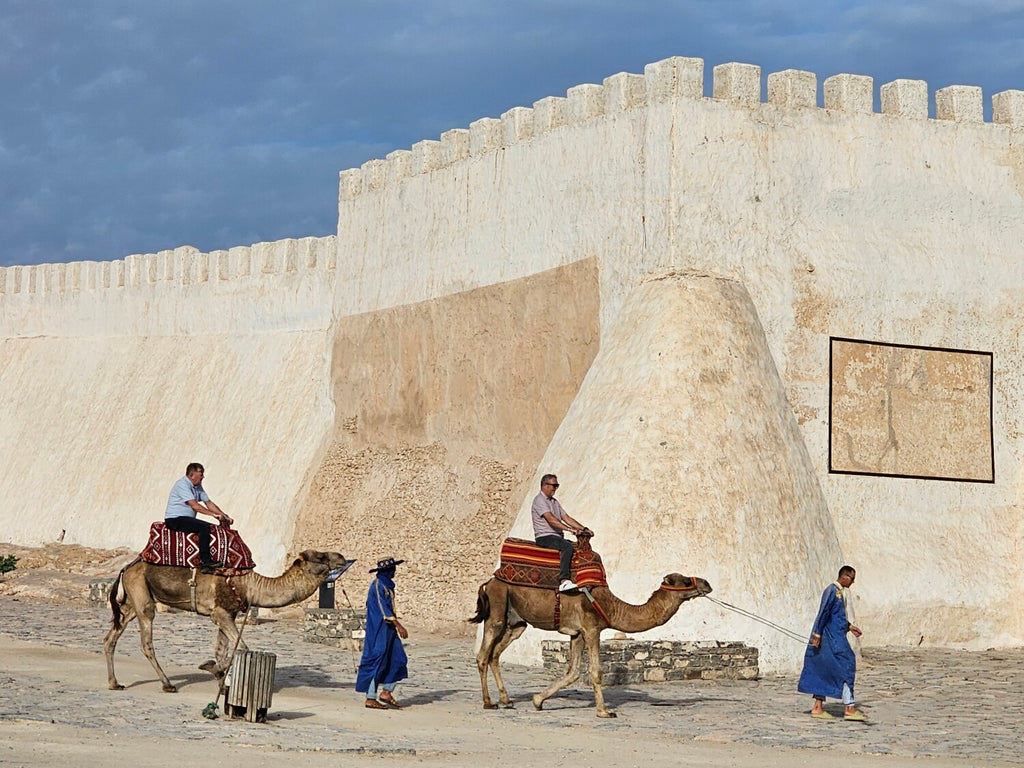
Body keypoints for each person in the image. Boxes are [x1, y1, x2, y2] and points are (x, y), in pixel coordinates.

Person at [798, 565, 866, 721]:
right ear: (844, 577)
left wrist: (849, 626)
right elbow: (823, 613)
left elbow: (837, 617)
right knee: (847, 663)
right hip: (832, 639)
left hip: (835, 636)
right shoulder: (832, 592)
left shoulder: (840, 593)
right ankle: (849, 707)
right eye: (852, 578)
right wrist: (816, 634)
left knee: (823, 668)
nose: (853, 582)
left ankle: (818, 707)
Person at [357, 557, 409, 710]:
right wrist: (399, 625)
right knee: (377, 660)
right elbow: (383, 609)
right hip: (379, 629)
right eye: (393, 569)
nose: (395, 572)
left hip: (388, 630)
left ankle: (387, 692)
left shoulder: (387, 585)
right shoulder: (378, 586)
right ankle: (370, 697)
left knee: (398, 658)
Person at [164, 462, 233, 574]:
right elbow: (195, 506)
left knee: (206, 526)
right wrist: (213, 515)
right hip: (175, 519)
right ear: (192, 475)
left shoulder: (197, 486)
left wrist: (224, 516)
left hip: (186, 519)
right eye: (201, 473)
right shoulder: (182, 485)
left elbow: (208, 503)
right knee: (204, 527)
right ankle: (206, 562)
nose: (203, 476)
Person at [531, 474, 590, 593]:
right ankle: (564, 580)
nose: (555, 488)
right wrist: (570, 530)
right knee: (567, 547)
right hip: (545, 536)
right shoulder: (539, 501)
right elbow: (551, 519)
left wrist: (584, 529)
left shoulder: (554, 502)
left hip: (556, 536)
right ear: (545, 485)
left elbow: (566, 517)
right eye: (554, 485)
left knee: (576, 547)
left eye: (557, 485)